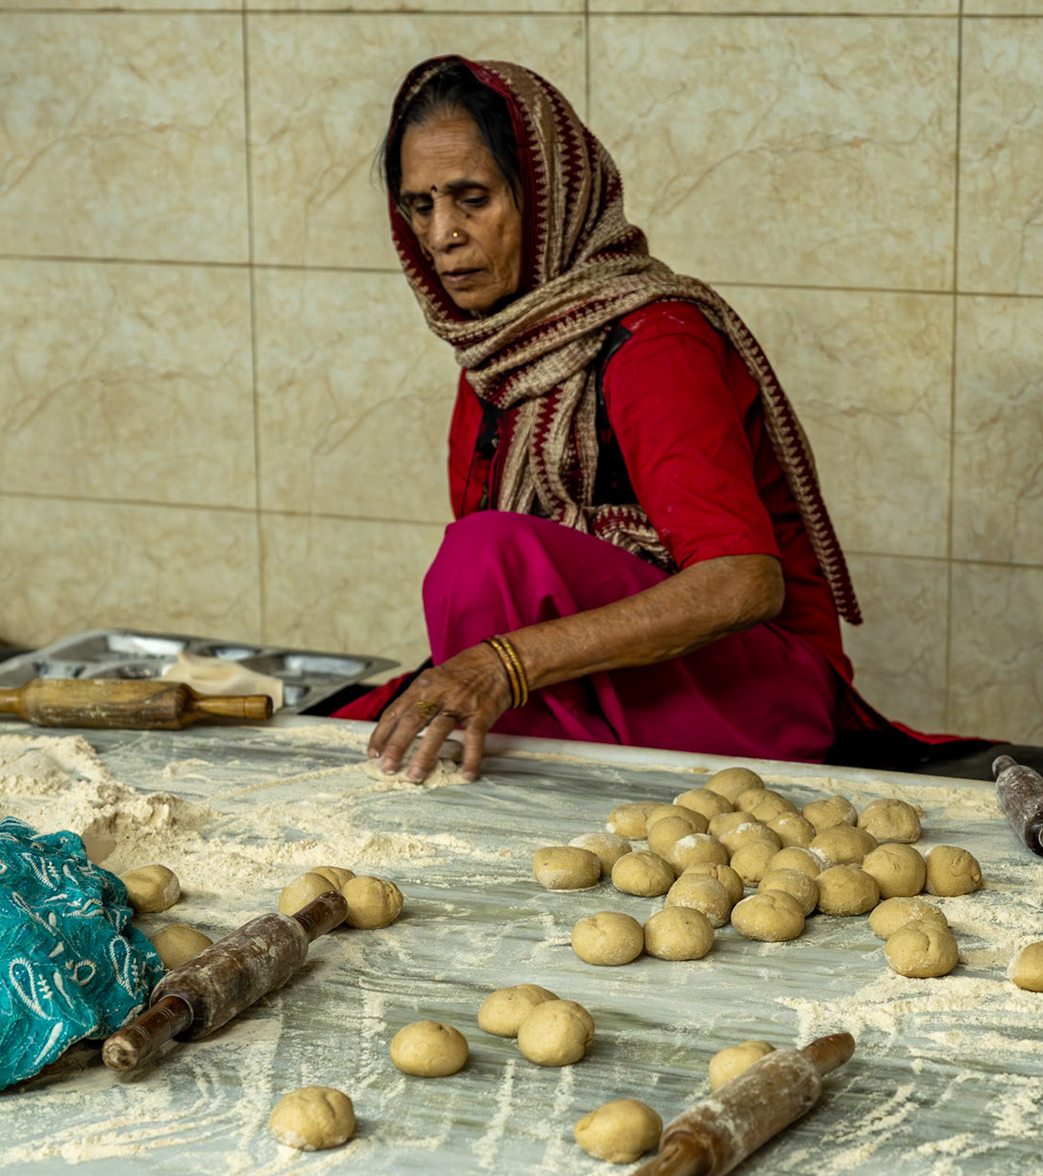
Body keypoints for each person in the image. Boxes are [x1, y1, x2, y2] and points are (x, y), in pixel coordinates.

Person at [338, 56, 944, 782]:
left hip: (758, 699)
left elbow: (745, 583)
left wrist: (506, 664)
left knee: (482, 555)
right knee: (352, 726)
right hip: (613, 688)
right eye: (419, 206)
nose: (442, 235)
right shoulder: (499, 358)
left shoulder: (656, 342)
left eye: (472, 198)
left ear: (550, 196)